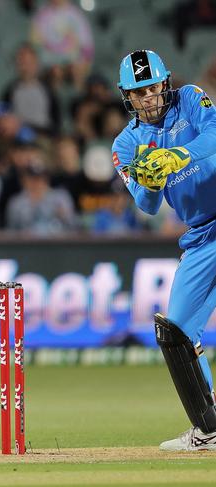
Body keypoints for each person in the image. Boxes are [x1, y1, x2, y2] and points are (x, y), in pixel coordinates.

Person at [112, 49, 216, 451]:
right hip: (200, 236)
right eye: (139, 92)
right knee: (177, 331)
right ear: (128, 97)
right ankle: (209, 428)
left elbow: (214, 134)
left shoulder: (191, 98)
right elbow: (147, 205)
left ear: (165, 82)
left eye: (153, 87)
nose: (149, 97)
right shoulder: (126, 143)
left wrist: (176, 155)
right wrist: (152, 180)